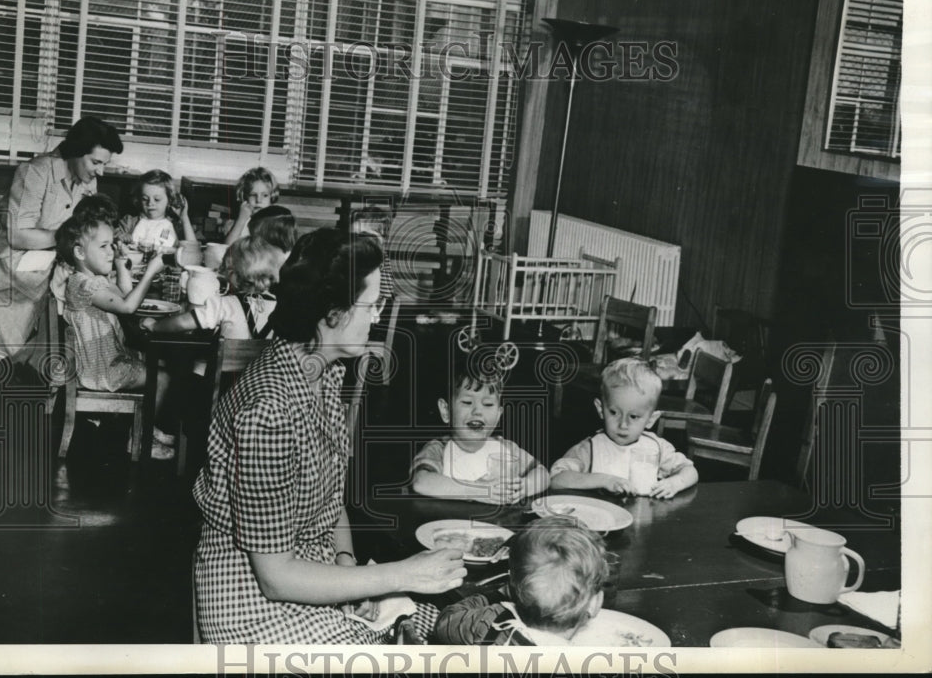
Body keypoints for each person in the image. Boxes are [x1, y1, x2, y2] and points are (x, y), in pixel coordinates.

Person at [193, 228, 465, 643]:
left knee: (460, 630)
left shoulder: (324, 372)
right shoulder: (268, 411)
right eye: (370, 305)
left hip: (313, 571)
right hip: (253, 600)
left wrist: (346, 560)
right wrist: (402, 573)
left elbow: (330, 501)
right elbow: (276, 579)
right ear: (333, 312)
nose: (375, 318)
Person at [0, 116, 123, 372]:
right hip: (14, 262)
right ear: (77, 152)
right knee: (79, 288)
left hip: (55, 257)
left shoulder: (88, 180)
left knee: (93, 284)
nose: (100, 171)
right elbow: (17, 235)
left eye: (104, 164)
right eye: (96, 162)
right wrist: (69, 237)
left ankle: (84, 366)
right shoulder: (36, 171)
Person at [54, 205, 175, 460]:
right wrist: (151, 271)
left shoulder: (91, 279)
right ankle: (141, 439)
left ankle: (147, 425)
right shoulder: (84, 285)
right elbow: (129, 306)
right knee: (162, 377)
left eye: (112, 245)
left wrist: (121, 265)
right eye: (104, 246)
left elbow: (122, 294)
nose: (111, 251)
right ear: (79, 253)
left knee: (157, 362)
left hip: (102, 360)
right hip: (98, 369)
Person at [433, 516, 609, 645]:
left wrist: (496, 595)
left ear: (515, 586)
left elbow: (445, 623)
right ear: (594, 603)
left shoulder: (493, 621)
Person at [549, 357, 699, 499]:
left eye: (633, 416)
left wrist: (674, 483)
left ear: (651, 419)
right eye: (614, 413)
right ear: (601, 409)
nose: (622, 425)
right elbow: (556, 479)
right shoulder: (590, 448)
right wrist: (604, 480)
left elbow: (690, 471)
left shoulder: (658, 448)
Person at [411, 353, 550, 504]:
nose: (478, 411)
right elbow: (421, 482)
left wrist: (526, 486)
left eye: (488, 404)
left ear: (498, 416)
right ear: (446, 411)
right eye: (467, 402)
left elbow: (543, 474)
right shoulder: (438, 449)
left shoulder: (506, 449)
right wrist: (482, 491)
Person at [139, 236, 287, 341]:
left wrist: (155, 325)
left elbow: (182, 322)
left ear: (233, 273)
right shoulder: (281, 305)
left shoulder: (225, 304)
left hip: (225, 381)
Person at [116, 169, 196, 252]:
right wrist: (121, 237)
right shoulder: (130, 222)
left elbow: (192, 251)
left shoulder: (175, 226)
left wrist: (184, 218)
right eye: (145, 199)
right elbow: (114, 239)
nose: (150, 203)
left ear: (169, 200)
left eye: (157, 199)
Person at [222, 166, 278, 245]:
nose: (258, 200)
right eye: (253, 195)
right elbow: (227, 249)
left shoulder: (276, 223)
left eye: (265, 195)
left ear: (272, 197)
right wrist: (241, 220)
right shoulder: (239, 223)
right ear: (245, 197)